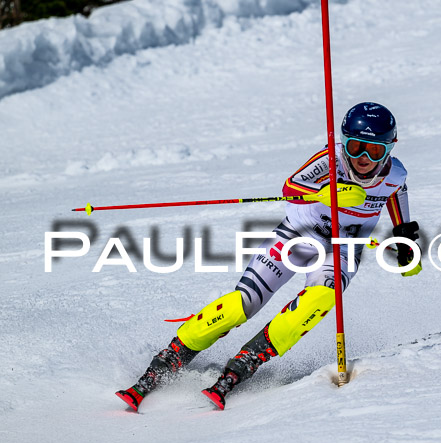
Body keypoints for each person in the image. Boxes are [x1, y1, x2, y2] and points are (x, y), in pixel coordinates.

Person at [116, 102, 422, 411]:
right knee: (242, 303)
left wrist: (403, 237)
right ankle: (169, 358)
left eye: (374, 150)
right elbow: (290, 187)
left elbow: (396, 194)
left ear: (389, 148)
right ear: (344, 142)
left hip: (342, 248)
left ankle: (248, 359)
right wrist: (326, 193)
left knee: (320, 299)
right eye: (356, 147)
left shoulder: (395, 173)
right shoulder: (330, 161)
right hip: (298, 235)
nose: (364, 159)